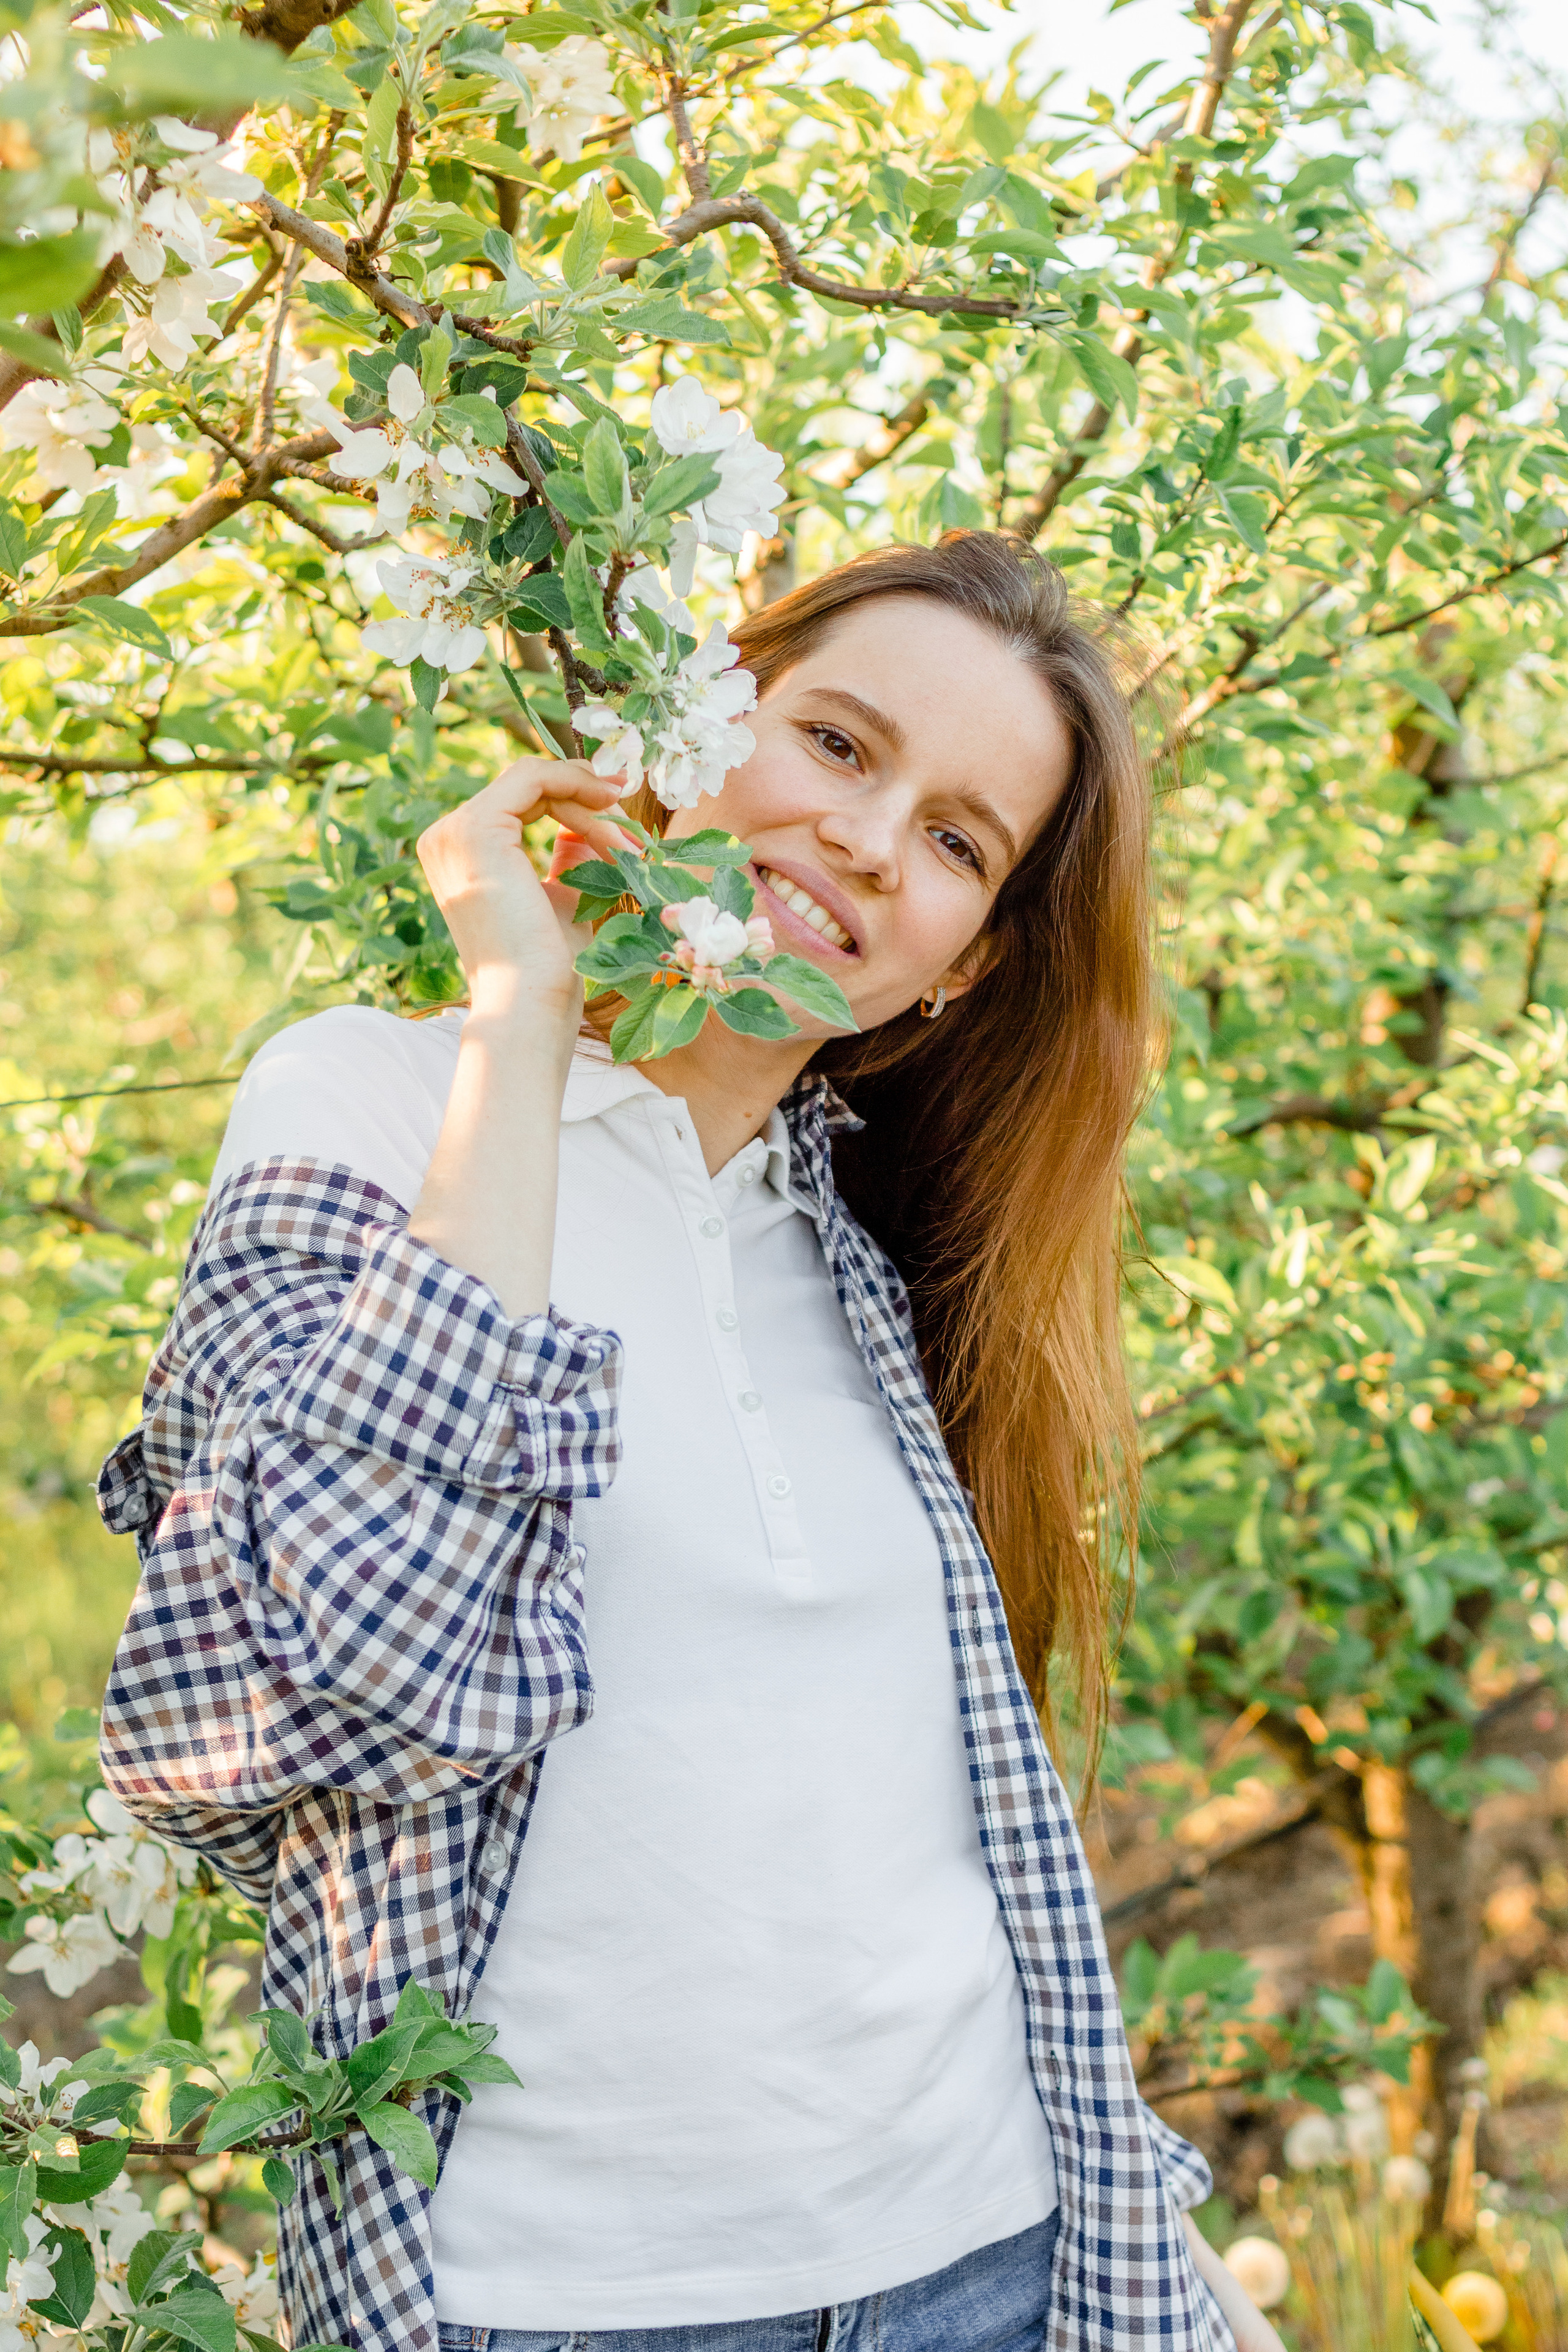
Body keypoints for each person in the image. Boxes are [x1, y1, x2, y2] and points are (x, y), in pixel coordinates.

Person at [97, 533, 1283, 2352]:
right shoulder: (370, 1104)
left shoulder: (893, 1258)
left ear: (970, 957)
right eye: (835, 745)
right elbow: (321, 1693)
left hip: (988, 2254)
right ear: (692, 718)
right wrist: (523, 1014)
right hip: (555, 2302)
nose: (874, 844)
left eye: (960, 843)